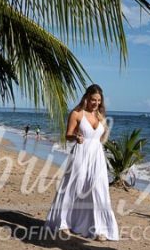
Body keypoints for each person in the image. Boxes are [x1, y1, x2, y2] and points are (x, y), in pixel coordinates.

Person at [45, 84, 119, 241]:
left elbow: (100, 139)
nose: (96, 103)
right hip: (80, 154)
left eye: (99, 100)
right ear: (87, 97)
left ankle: (99, 229)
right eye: (93, 99)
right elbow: (68, 135)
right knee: (74, 186)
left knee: (99, 190)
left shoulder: (100, 117)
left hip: (97, 157)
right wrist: (76, 138)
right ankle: (63, 224)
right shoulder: (77, 114)